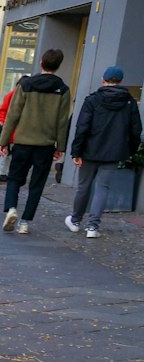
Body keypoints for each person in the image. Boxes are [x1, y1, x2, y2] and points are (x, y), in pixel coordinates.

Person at [0, 48, 73, 234]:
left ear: (41, 62)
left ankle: (11, 208)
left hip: (23, 141)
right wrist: (60, 146)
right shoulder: (63, 90)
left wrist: (4, 141)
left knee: (15, 177)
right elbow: (62, 121)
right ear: (58, 66)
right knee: (37, 183)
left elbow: (13, 115)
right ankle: (25, 222)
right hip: (45, 145)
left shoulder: (25, 85)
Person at [68, 66, 143, 239]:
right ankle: (93, 227)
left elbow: (82, 127)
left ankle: (75, 220)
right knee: (103, 188)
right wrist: (129, 150)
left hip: (89, 150)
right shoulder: (129, 102)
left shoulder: (93, 100)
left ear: (103, 79)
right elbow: (135, 129)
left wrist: (76, 151)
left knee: (83, 186)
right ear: (120, 81)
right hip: (113, 152)